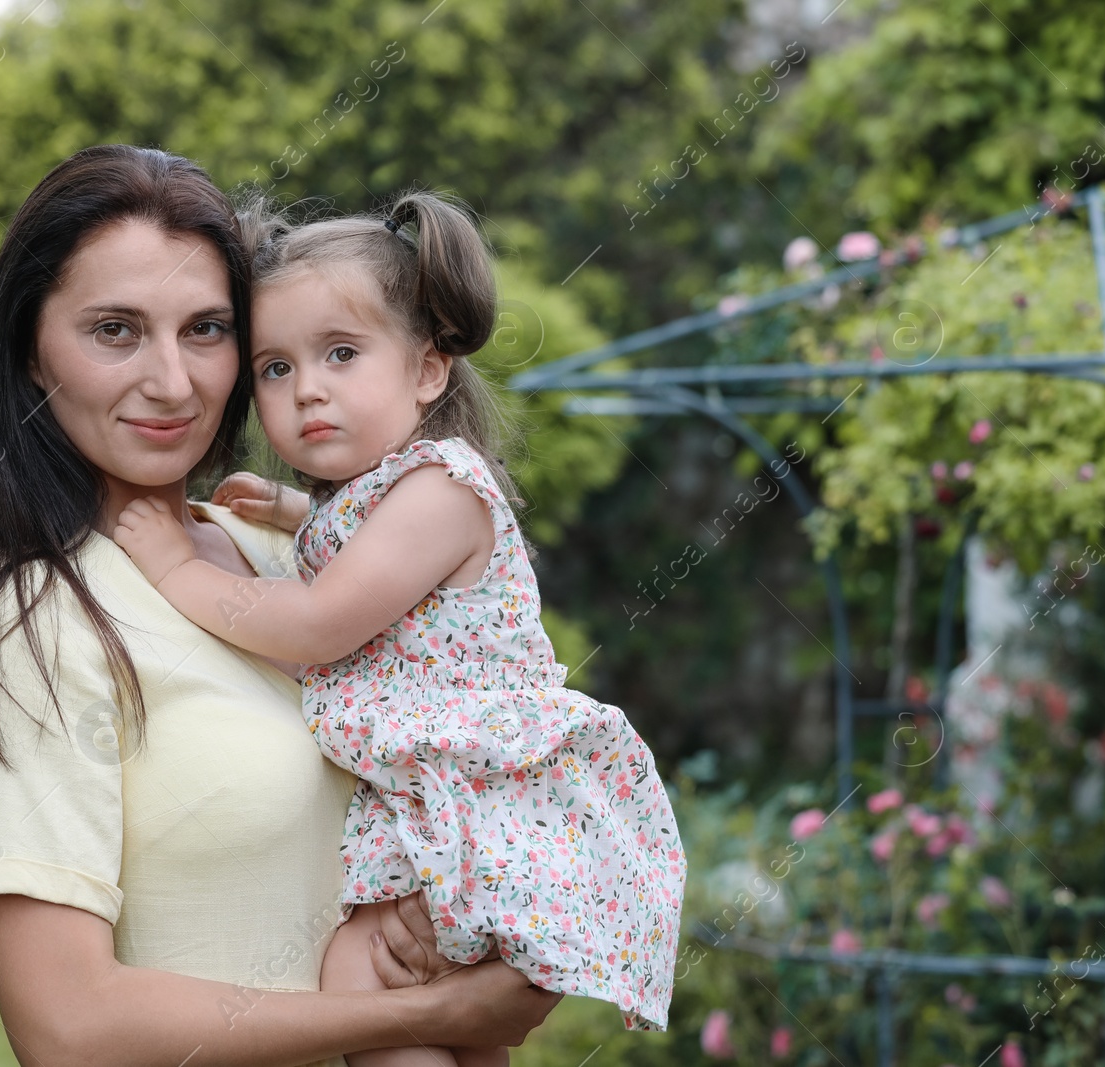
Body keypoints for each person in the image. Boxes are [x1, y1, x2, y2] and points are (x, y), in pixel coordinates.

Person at [0, 145, 560, 1067]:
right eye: (115, 330)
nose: (174, 381)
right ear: (30, 353)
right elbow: (70, 1030)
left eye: (206, 329)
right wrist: (425, 1017)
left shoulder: (280, 550)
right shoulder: (27, 614)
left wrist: (442, 922)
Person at [113, 191, 687, 1066]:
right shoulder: (397, 490)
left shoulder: (441, 488)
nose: (307, 388)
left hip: (487, 803)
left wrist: (174, 566)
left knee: (361, 971)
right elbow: (369, 548)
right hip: (451, 797)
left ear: (427, 370)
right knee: (445, 1014)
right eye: (274, 367)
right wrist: (297, 507)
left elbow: (317, 623)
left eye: (342, 353)